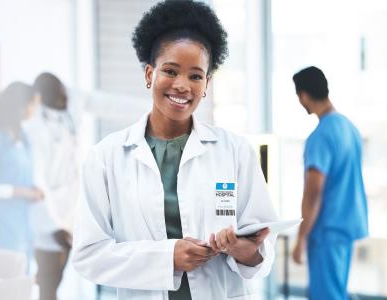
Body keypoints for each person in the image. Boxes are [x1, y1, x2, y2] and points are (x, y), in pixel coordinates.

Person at [72, 1, 278, 299]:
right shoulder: (106, 158)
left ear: (206, 84)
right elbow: (88, 255)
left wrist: (246, 252)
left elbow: (262, 252)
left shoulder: (235, 151)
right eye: (170, 71)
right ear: (148, 74)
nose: (182, 85)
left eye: (195, 76)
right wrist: (166, 257)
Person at [291, 66, 368, 300]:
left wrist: (301, 238)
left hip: (327, 230)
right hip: (347, 226)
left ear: (304, 95)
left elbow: (314, 191)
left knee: (326, 295)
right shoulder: (350, 128)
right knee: (337, 292)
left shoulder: (321, 136)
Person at [24, 72, 80, 300]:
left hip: (69, 209)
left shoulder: (65, 116)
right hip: (48, 217)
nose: (64, 95)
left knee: (56, 277)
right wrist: (53, 225)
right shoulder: (35, 128)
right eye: (59, 92)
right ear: (45, 97)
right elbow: (36, 181)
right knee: (49, 281)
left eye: (64, 89)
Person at [0, 82, 44, 261]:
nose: (35, 109)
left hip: (23, 227)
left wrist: (33, 189)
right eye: (33, 104)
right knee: (7, 284)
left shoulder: (22, 137)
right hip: (3, 229)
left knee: (24, 284)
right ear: (20, 105)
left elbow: (18, 175)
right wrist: (23, 192)